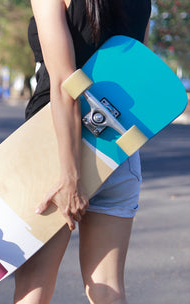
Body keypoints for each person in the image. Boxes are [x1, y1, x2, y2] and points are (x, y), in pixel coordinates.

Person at [15, 0, 151, 303]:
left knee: (33, 288)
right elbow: (138, 69)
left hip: (53, 153)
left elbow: (66, 81)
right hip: (116, 151)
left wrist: (70, 175)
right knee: (107, 290)